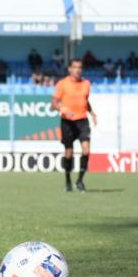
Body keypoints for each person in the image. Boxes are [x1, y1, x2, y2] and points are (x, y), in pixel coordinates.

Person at [51, 59, 97, 192]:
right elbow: (53, 103)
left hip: (82, 121)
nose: (77, 70)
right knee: (69, 153)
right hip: (67, 122)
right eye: (75, 67)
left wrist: (92, 112)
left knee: (86, 150)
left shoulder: (86, 84)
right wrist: (62, 109)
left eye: (80, 67)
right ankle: (68, 180)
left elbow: (85, 101)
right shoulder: (62, 84)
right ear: (69, 69)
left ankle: (80, 181)